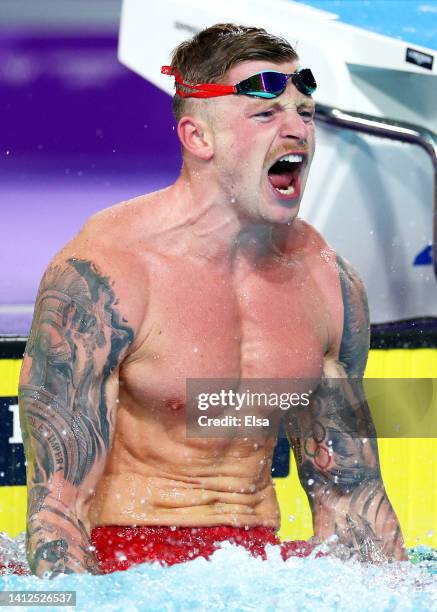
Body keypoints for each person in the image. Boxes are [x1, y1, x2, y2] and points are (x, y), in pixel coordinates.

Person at [18, 23, 406, 578]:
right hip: (128, 565)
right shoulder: (108, 274)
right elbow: (57, 514)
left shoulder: (326, 280)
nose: (297, 130)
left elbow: (352, 499)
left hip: (257, 566)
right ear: (198, 138)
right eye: (267, 115)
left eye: (305, 112)